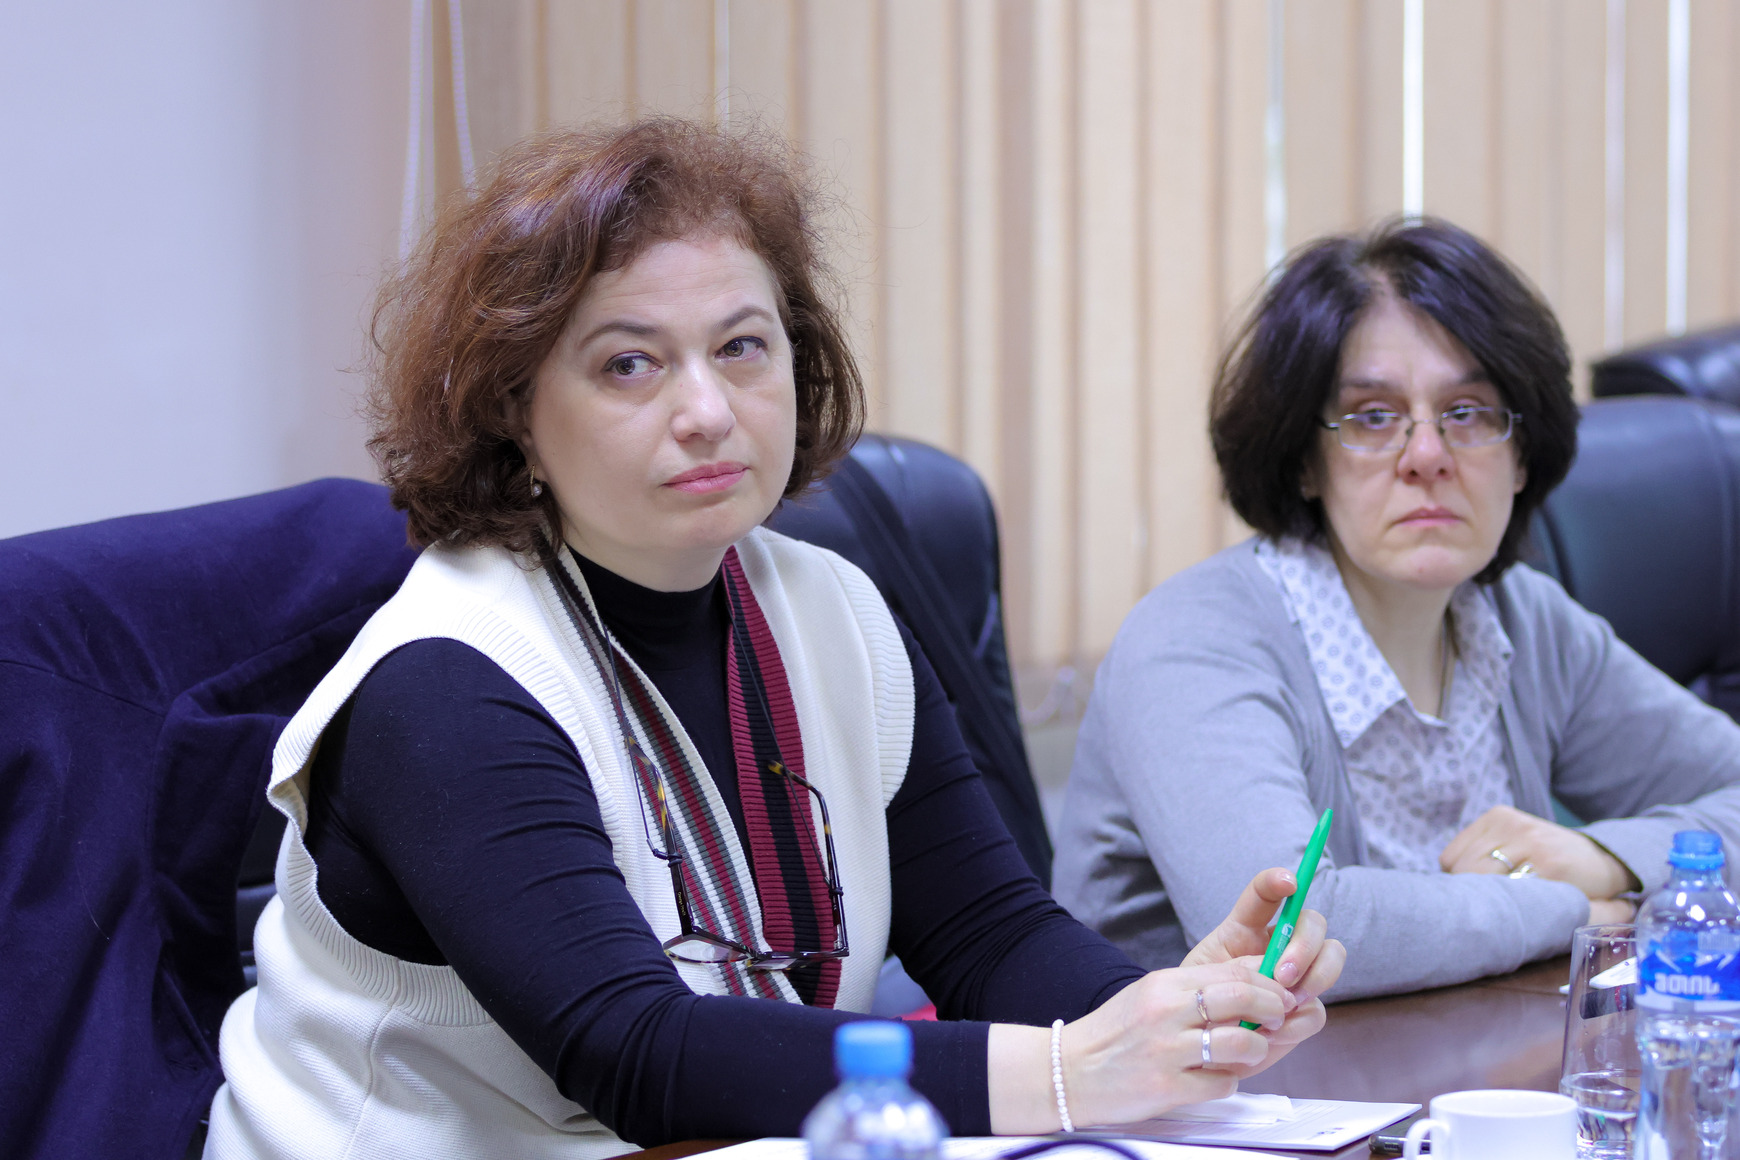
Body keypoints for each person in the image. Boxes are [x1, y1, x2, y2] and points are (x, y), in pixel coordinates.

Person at [202, 119, 1343, 1159]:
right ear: (516, 412)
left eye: (743, 347)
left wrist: (1167, 1011)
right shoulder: (447, 679)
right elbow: (635, 1050)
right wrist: (1067, 1070)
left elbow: (988, 933)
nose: (707, 410)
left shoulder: (837, 608)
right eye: (630, 363)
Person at [1054, 218, 1740, 1002]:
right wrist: (1570, 911)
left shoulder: (1523, 622)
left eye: (1469, 411)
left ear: (1521, 456)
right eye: (1373, 416)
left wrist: (1607, 859)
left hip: (1467, 1067)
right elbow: (1288, 934)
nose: (1427, 455)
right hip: (1222, 1081)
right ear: (1305, 461)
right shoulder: (1193, 643)